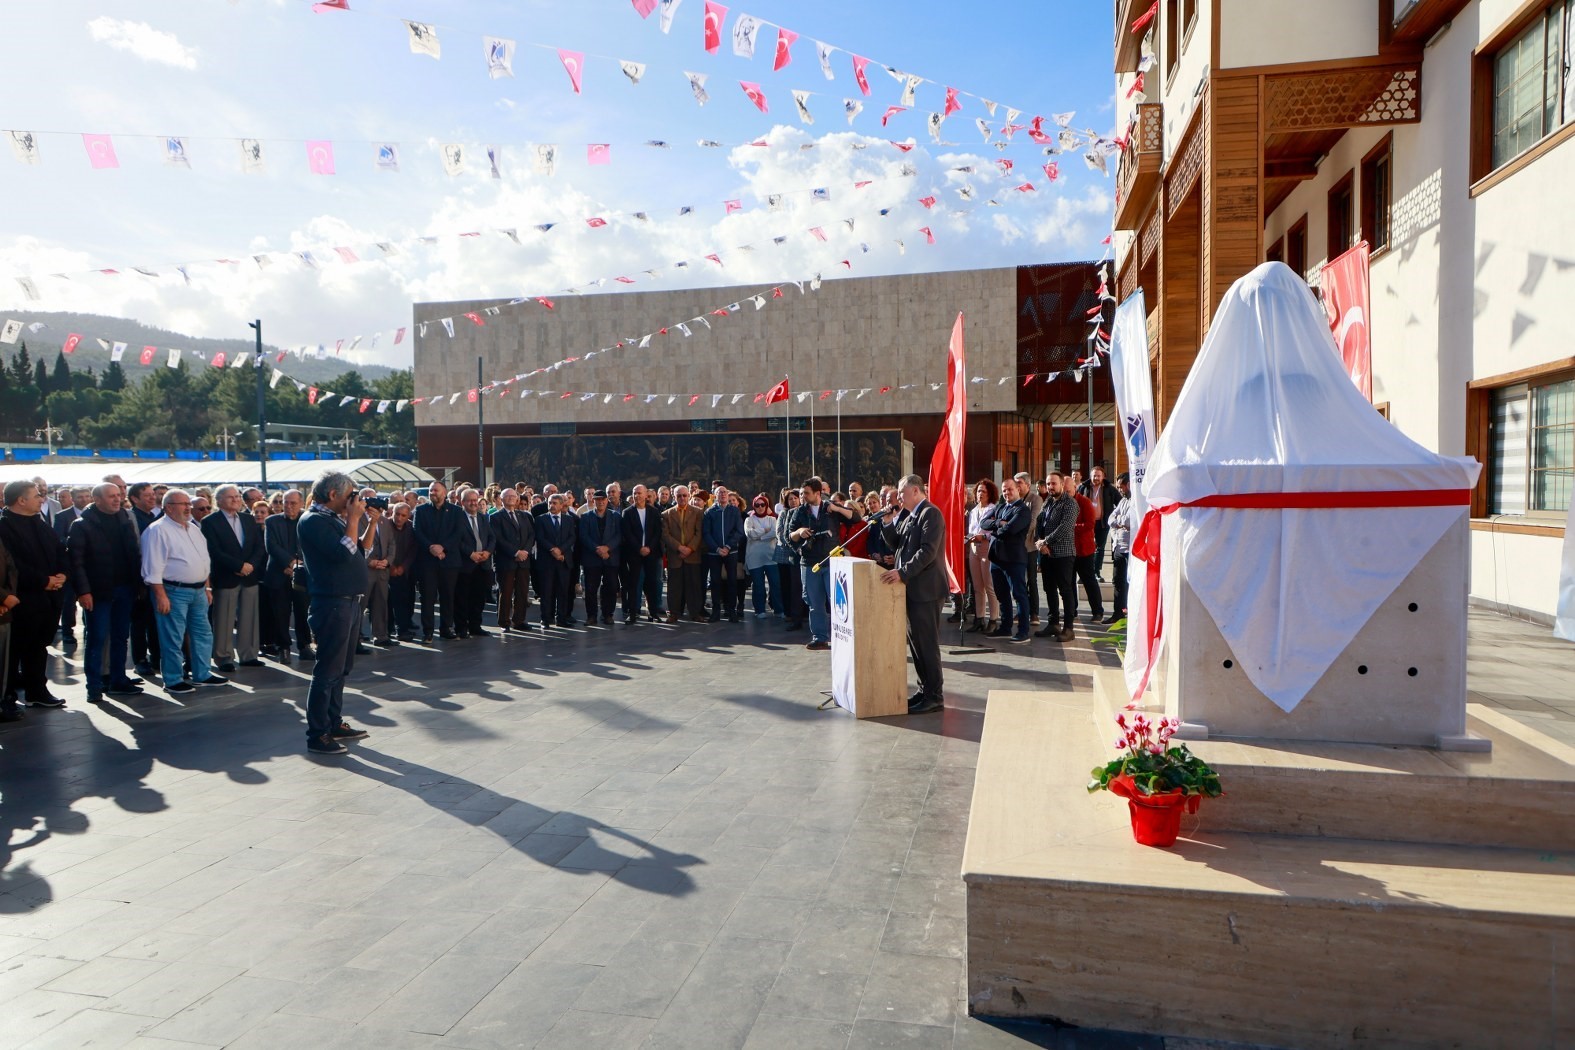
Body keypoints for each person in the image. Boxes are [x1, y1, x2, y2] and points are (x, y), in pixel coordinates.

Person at [298, 472, 370, 756]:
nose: (353, 500)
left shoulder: (331, 519)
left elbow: (358, 550)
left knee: (341, 669)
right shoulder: (314, 521)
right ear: (332, 495)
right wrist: (353, 519)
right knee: (327, 670)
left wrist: (371, 521)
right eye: (350, 494)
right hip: (332, 603)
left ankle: (333, 722)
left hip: (348, 602)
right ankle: (317, 734)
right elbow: (342, 554)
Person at [141, 489, 229, 695]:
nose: (189, 508)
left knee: (203, 633)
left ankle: (202, 674)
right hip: (173, 590)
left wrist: (206, 586)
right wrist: (160, 595)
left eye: (189, 504)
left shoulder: (193, 528)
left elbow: (203, 559)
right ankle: (172, 679)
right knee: (173, 636)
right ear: (168, 507)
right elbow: (152, 567)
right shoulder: (157, 530)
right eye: (183, 504)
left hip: (198, 590)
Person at [68, 483, 145, 703]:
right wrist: (83, 592)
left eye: (119, 496)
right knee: (97, 638)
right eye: (111, 496)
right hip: (99, 592)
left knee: (121, 637)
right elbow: (77, 562)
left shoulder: (124, 520)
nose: (117, 500)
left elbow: (134, 553)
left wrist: (138, 584)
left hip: (125, 588)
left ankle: (118, 680)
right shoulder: (82, 524)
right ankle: (94, 686)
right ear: (97, 499)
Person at [879, 474, 948, 714]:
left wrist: (902, 573)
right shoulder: (910, 515)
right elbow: (895, 543)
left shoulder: (931, 514)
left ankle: (935, 696)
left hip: (926, 590)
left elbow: (927, 552)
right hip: (912, 590)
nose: (897, 497)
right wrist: (887, 522)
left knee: (927, 644)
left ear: (916, 491)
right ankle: (924, 690)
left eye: (901, 492)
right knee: (916, 645)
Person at [0, 480, 69, 709]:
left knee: (39, 645)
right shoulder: (4, 526)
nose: (42, 499)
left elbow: (59, 549)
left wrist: (61, 574)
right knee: (14, 649)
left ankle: (37, 690)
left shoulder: (39, 523)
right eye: (37, 495)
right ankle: (7, 696)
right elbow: (12, 564)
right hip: (22, 598)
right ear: (21, 500)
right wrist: (43, 581)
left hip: (48, 597)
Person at [202, 484, 267, 673]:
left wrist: (251, 565)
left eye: (237, 497)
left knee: (249, 617)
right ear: (219, 500)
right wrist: (237, 566)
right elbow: (213, 550)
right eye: (230, 497)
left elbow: (259, 546)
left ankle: (248, 655)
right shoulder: (210, 522)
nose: (236, 500)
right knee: (224, 618)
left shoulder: (248, 519)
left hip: (249, 576)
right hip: (226, 576)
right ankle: (224, 657)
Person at [784, 476, 839, 651]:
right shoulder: (799, 512)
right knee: (814, 603)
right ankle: (820, 637)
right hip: (809, 563)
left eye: (806, 493)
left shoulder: (830, 509)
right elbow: (789, 537)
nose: (803, 496)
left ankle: (841, 637)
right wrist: (799, 532)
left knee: (836, 602)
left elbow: (855, 518)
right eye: (801, 493)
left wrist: (837, 508)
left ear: (818, 493)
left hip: (831, 562)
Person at [264, 490, 314, 662]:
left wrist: (296, 565)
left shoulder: (307, 520)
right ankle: (283, 648)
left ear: (301, 503)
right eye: (285, 502)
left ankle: (304, 646)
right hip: (278, 574)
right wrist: (289, 564)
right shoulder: (272, 521)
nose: (288, 506)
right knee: (281, 613)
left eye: (293, 503)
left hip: (301, 575)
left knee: (302, 612)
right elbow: (271, 546)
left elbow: (309, 546)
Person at [412, 479, 466, 642]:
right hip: (427, 561)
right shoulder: (421, 510)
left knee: (448, 596)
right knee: (427, 597)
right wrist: (431, 548)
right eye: (430, 490)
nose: (432, 493)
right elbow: (417, 531)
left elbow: (458, 533)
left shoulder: (456, 511)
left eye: (436, 490)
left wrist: (443, 548)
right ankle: (428, 631)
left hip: (449, 561)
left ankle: (446, 628)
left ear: (444, 492)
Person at [984, 476, 1033, 643]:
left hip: (1013, 559)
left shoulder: (1022, 510)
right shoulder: (1000, 507)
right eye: (1004, 490)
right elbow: (984, 523)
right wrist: (999, 523)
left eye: (1010, 489)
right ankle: (1005, 627)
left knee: (1019, 595)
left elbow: (1010, 530)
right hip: (996, 559)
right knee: (1001, 594)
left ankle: (1023, 631)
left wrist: (996, 528)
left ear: (1018, 489)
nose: (1007, 493)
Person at [1034, 472, 1079, 642]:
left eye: (1054, 483)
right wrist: (1040, 542)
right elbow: (1039, 523)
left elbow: (1065, 527)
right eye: (1048, 484)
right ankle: (1053, 623)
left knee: (1065, 591)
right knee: (1049, 589)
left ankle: (1068, 628)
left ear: (1062, 484)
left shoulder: (1070, 503)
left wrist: (1045, 541)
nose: (1051, 487)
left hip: (1063, 554)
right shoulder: (1048, 502)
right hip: (1046, 553)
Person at [491, 488, 535, 631]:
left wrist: (525, 551)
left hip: (524, 561)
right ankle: (504, 621)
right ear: (501, 499)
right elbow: (498, 539)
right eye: (507, 496)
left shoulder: (525, 516)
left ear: (517, 499)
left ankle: (519, 620)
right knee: (506, 592)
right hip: (506, 561)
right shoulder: (495, 517)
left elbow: (531, 535)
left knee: (522, 592)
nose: (510, 498)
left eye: (513, 496)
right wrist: (515, 552)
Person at [620, 484, 663, 625]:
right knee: (634, 584)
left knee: (652, 583)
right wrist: (639, 548)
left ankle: (653, 612)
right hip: (634, 554)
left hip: (651, 553)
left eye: (639, 493)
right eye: (634, 493)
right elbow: (627, 533)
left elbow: (657, 532)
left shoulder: (654, 512)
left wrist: (649, 547)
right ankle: (632, 613)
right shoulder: (627, 512)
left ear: (646, 495)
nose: (637, 496)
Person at [455, 489, 496, 637]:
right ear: (462, 502)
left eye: (475, 500)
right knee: (462, 598)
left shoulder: (483, 517)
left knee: (478, 598)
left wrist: (487, 552)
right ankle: (461, 628)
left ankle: (475, 626)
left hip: (483, 564)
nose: (473, 503)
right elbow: (456, 540)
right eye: (469, 500)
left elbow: (492, 538)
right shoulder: (457, 518)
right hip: (465, 565)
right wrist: (470, 553)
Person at [53, 487, 90, 650]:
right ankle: (68, 631)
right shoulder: (62, 516)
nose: (84, 499)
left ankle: (89, 629)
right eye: (80, 497)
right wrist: (73, 541)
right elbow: (57, 538)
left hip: (89, 565)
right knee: (69, 601)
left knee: (89, 598)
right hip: (69, 564)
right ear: (73, 499)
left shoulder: (94, 514)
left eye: (87, 496)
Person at [661, 485, 705, 623]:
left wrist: (690, 548)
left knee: (693, 586)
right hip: (675, 555)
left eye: (684, 495)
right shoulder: (666, 514)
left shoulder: (698, 512)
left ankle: (695, 613)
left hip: (693, 555)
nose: (682, 498)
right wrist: (679, 548)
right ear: (674, 497)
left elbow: (699, 533)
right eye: (679, 496)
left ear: (689, 496)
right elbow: (665, 535)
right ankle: (674, 613)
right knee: (674, 586)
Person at [578, 491, 622, 625]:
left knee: (611, 587)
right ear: (593, 501)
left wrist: (607, 548)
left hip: (610, 556)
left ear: (607, 501)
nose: (600, 502)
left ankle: (608, 614)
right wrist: (597, 549)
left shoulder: (616, 516)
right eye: (597, 500)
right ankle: (591, 616)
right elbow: (583, 536)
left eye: (603, 500)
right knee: (591, 589)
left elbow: (619, 535)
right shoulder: (585, 517)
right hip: (592, 558)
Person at [535, 493, 578, 628]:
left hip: (563, 561)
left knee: (563, 591)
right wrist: (553, 550)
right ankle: (546, 619)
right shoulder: (541, 519)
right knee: (546, 592)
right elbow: (540, 538)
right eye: (550, 503)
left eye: (554, 503)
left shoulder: (568, 520)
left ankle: (561, 618)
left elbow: (572, 537)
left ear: (561, 505)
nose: (552, 505)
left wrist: (561, 550)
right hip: (547, 561)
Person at [702, 486, 744, 622]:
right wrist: (717, 549)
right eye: (720, 492)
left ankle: (732, 610)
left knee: (732, 581)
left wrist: (727, 546)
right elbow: (706, 533)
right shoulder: (709, 512)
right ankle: (716, 611)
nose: (723, 494)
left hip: (731, 552)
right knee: (715, 582)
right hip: (714, 553)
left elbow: (739, 531)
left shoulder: (734, 511)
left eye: (725, 492)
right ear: (715, 496)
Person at [965, 479, 1000, 633]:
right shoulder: (973, 511)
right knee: (977, 586)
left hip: (986, 547)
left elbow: (993, 531)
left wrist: (982, 538)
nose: (980, 494)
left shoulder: (993, 509)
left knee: (989, 585)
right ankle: (979, 618)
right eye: (978, 491)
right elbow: (972, 529)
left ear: (990, 494)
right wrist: (967, 538)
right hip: (973, 548)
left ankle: (993, 619)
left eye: (983, 491)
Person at [360, 498, 396, 645]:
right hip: (365, 570)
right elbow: (356, 544)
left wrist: (388, 561)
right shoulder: (357, 519)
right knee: (360, 606)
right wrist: (369, 562)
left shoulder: (384, 521)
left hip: (382, 570)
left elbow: (392, 543)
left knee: (381, 603)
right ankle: (355, 638)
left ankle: (381, 636)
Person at [744, 494, 784, 619]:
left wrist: (759, 535)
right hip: (754, 557)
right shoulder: (749, 520)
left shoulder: (772, 519)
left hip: (771, 556)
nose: (760, 507)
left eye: (763, 505)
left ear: (766, 506)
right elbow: (749, 534)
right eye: (757, 505)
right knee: (758, 585)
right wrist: (765, 531)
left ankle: (778, 609)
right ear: (754, 506)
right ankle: (759, 610)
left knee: (775, 584)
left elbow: (774, 533)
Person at [1081, 466, 1122, 580]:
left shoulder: (1110, 489)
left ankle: (1096, 572)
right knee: (1086, 547)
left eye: (1098, 476)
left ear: (1103, 477)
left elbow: (1120, 503)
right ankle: (1085, 572)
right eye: (1094, 475)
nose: (1096, 478)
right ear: (1090, 476)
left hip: (1102, 523)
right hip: (1087, 523)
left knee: (1100, 548)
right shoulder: (1083, 487)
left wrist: (1116, 518)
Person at [1072, 482, 1106, 623]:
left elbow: (1090, 524)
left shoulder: (1084, 502)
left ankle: (1098, 611)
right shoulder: (1062, 502)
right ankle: (1071, 610)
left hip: (1084, 549)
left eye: (1068, 490)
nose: (1066, 493)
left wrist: (1071, 527)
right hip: (1068, 550)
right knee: (1068, 582)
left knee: (1089, 581)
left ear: (1074, 488)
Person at [774, 488, 806, 630]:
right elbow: (781, 533)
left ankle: (802, 613)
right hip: (786, 554)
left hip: (803, 554)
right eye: (790, 499)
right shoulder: (784, 513)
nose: (793, 501)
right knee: (788, 585)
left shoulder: (805, 511)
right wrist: (794, 545)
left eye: (795, 498)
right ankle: (790, 613)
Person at [1014, 471, 1043, 625]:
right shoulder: (1013, 499)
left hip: (1029, 546)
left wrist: (1016, 533)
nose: (1017, 486)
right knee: (1018, 581)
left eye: (1019, 483)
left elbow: (1033, 521)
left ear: (1027, 484)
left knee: (1031, 580)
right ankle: (1020, 611)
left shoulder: (1035, 499)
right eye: (1015, 483)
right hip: (1016, 547)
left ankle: (1034, 613)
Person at [388, 501, 419, 640]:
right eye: (397, 514)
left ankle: (404, 628)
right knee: (388, 602)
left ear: (408, 516)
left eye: (403, 515)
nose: (399, 518)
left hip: (405, 571)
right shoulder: (385, 526)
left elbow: (413, 549)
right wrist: (392, 566)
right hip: (387, 570)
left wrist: (403, 567)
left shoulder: (411, 528)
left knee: (406, 599)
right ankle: (390, 630)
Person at [1107, 474, 1133, 624]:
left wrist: (1120, 521)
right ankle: (1118, 612)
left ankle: (1129, 610)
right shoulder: (1123, 501)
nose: (1119, 490)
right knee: (1117, 581)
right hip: (1118, 546)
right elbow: (1111, 518)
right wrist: (1120, 522)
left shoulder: (1136, 500)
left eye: (1120, 487)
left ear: (1128, 485)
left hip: (1131, 548)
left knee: (1129, 581)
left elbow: (1130, 520)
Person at [0, 530, 18, 721]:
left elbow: (11, 567)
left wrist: (8, 597)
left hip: (5, 610)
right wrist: (3, 598)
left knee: (3, 661)